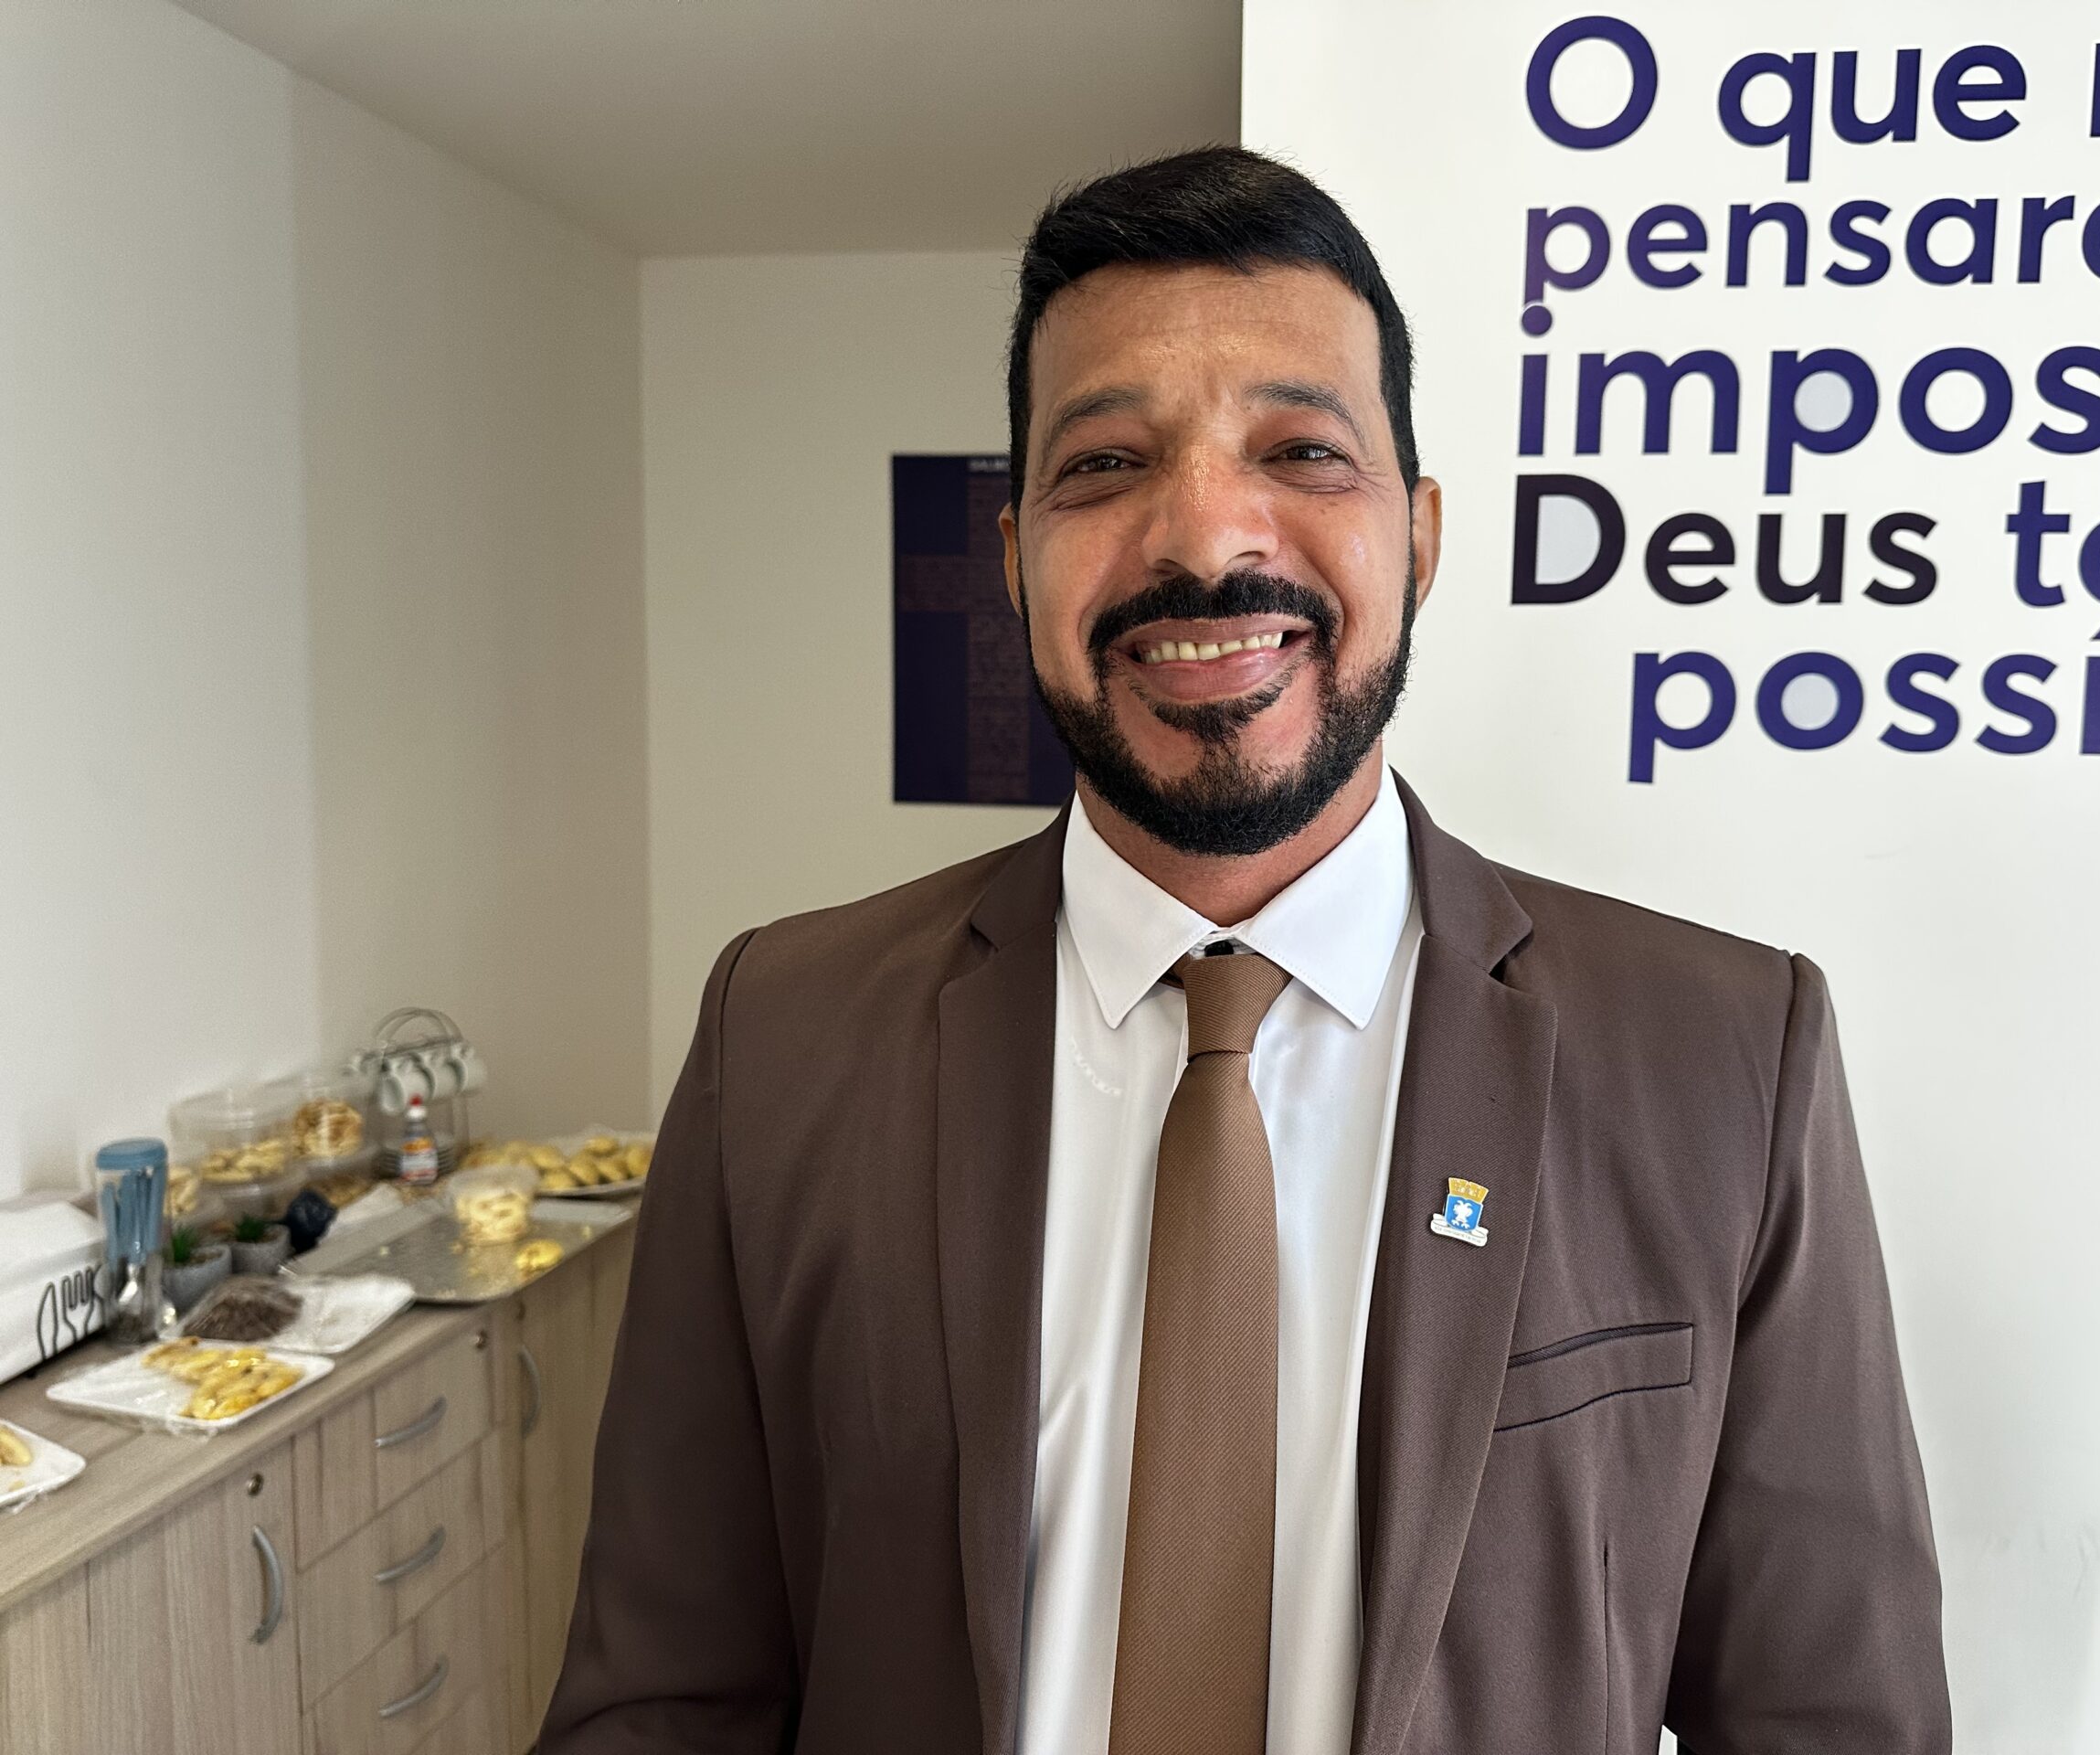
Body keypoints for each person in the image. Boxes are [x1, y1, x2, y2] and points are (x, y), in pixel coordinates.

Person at [537, 146, 1950, 1755]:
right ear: (1013, 557)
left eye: (1302, 451)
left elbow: (1834, 1719)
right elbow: (666, 1699)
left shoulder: (1724, 1056)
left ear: (1420, 537)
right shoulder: (783, 1037)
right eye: (1104, 464)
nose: (1206, 533)